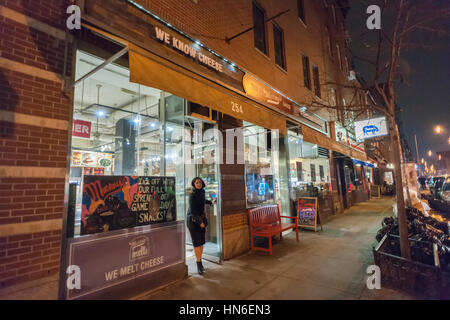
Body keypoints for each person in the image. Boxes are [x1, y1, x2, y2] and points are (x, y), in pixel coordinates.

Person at [187, 177, 217, 275]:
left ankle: (200, 262)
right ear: (194, 184)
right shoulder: (192, 195)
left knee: (201, 242)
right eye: (196, 182)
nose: (198, 184)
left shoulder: (202, 192)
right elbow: (192, 212)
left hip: (201, 219)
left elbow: (203, 201)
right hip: (193, 221)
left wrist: (211, 202)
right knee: (197, 243)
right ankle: (198, 263)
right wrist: (200, 222)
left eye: (200, 182)